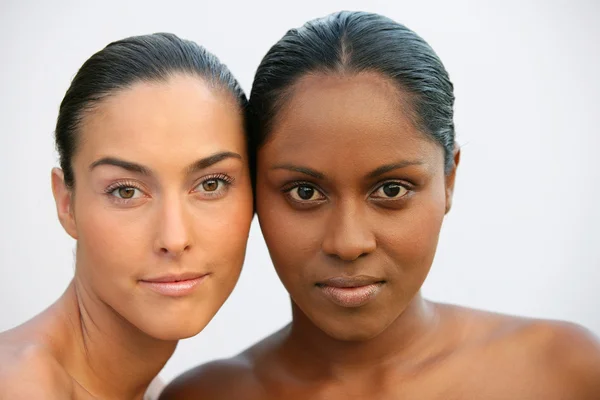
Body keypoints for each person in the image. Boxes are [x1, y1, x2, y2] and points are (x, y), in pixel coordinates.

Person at [161, 11, 600, 399]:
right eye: (305, 192)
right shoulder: (205, 395)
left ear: (448, 181)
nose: (349, 243)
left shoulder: (563, 371)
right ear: (255, 193)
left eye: (391, 190)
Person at [0, 33, 253, 399]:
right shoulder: (21, 386)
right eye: (126, 191)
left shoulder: (153, 392)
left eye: (211, 185)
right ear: (66, 203)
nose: (174, 238)